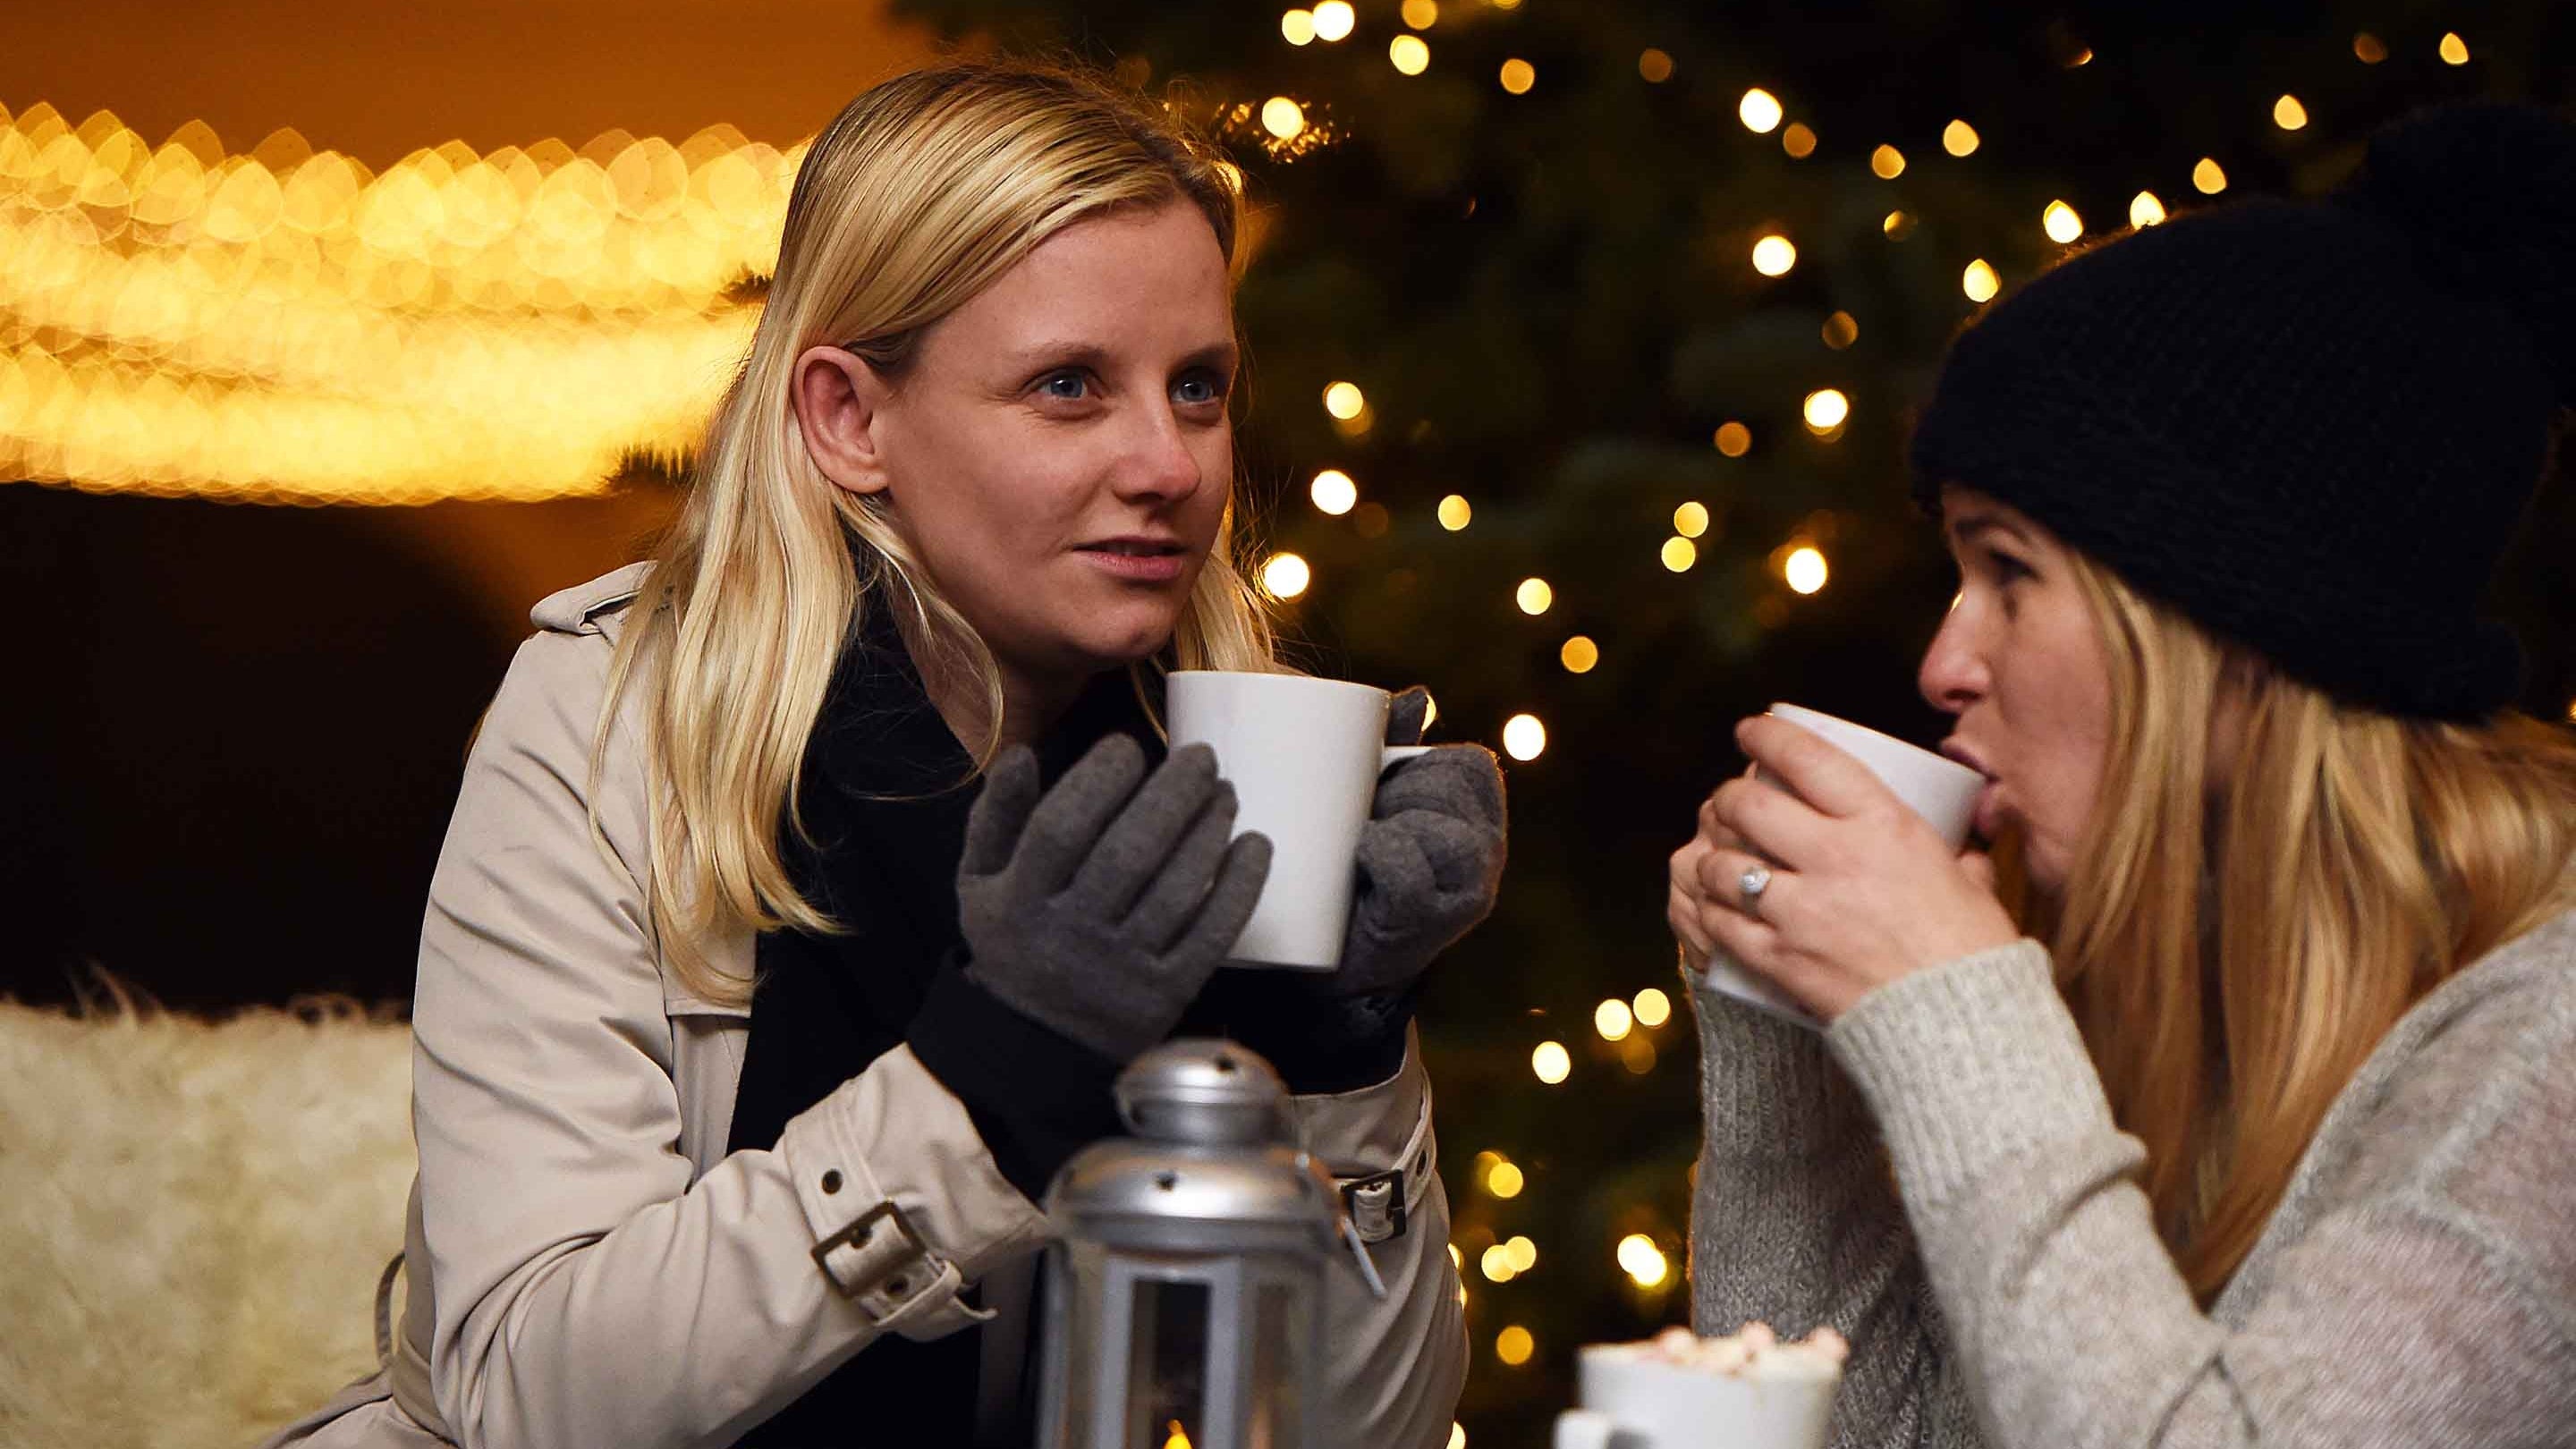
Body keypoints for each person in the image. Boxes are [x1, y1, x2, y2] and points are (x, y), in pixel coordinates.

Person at [267, 62, 1500, 1449]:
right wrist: (985, 1081)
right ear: (849, 418)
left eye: (1198, 386)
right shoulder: (608, 726)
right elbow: (531, 1396)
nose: (1170, 462)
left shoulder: (1203, 769)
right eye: (1070, 385)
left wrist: (1338, 1052)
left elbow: (1358, 1437)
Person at [1670, 102, 2576, 1447]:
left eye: (2010, 570)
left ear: (2235, 633)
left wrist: (1951, 1010)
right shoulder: (2148, 994)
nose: (1942, 661)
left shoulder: (2545, 1051)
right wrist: (1781, 1037)